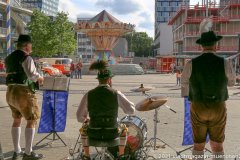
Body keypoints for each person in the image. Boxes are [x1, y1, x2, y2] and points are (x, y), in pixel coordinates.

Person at [181, 30, 235, 160]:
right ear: (216, 45)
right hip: (218, 106)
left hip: (198, 106)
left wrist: (191, 98)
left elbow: (184, 84)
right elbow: (232, 83)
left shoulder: (191, 63)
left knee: (198, 144)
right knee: (217, 144)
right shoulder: (224, 62)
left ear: (202, 46)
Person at [76, 60, 135, 160]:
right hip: (112, 133)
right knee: (124, 129)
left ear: (98, 80)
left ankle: (86, 155)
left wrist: (86, 120)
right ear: (109, 80)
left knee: (83, 129)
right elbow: (131, 111)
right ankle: (121, 156)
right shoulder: (116, 93)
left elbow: (79, 117)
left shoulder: (89, 94)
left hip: (94, 132)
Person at [5, 34, 44, 160]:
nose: (31, 48)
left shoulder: (9, 57)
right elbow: (32, 75)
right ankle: (28, 152)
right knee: (31, 120)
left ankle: (17, 151)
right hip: (23, 92)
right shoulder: (26, 57)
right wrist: (40, 77)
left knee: (17, 120)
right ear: (27, 46)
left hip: (10, 91)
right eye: (30, 45)